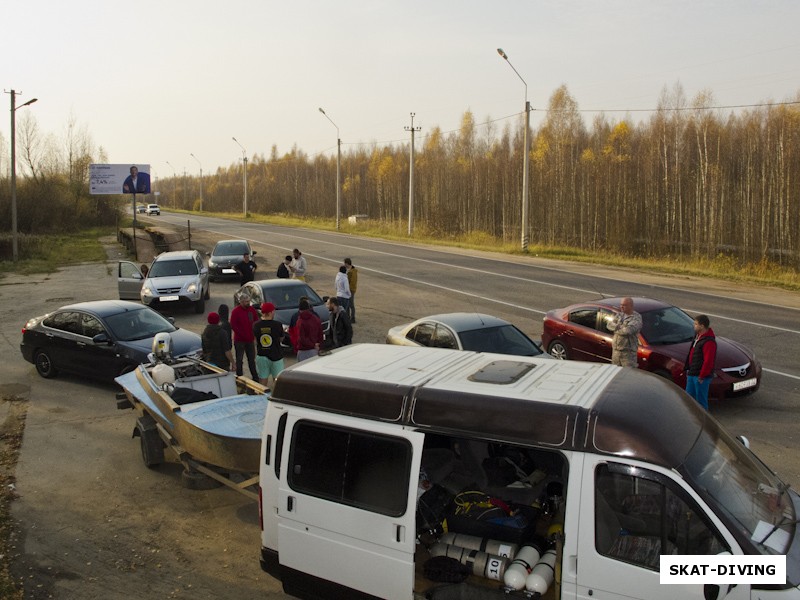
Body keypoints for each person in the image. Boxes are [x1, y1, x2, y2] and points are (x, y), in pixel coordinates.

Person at [685, 314, 717, 410]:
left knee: (701, 402)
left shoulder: (708, 342)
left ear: (702, 326)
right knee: (688, 398)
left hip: (700, 376)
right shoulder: (698, 337)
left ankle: (703, 421)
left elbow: (708, 361)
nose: (693, 326)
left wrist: (702, 376)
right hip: (692, 372)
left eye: (695, 324)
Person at [253, 302, 285, 388]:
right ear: (271, 312)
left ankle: (261, 396)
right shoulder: (277, 325)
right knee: (277, 380)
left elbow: (255, 339)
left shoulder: (256, 325)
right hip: (276, 355)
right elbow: (281, 338)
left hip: (262, 355)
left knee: (263, 379)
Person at [229, 293, 259, 379]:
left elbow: (256, 321)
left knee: (251, 360)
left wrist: (253, 334)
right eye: (246, 301)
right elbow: (233, 325)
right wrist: (242, 334)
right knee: (239, 359)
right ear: (241, 302)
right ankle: (239, 376)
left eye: (248, 301)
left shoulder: (252, 310)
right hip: (239, 340)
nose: (248, 303)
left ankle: (255, 376)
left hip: (250, 340)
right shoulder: (235, 311)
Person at [607, 297, 642, 368]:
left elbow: (628, 331)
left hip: (628, 354)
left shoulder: (636, 317)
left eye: (624, 305)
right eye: (621, 305)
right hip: (616, 352)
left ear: (631, 306)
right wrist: (621, 327)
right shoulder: (619, 315)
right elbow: (609, 325)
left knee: (627, 375)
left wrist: (616, 327)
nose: (621, 307)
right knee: (615, 373)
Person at [344, 257, 358, 324]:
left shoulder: (353, 271)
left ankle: (352, 318)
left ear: (347, 263)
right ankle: (348, 317)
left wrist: (348, 289)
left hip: (351, 290)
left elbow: (353, 282)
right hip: (348, 289)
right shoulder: (349, 270)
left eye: (345, 263)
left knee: (351, 304)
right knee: (348, 304)